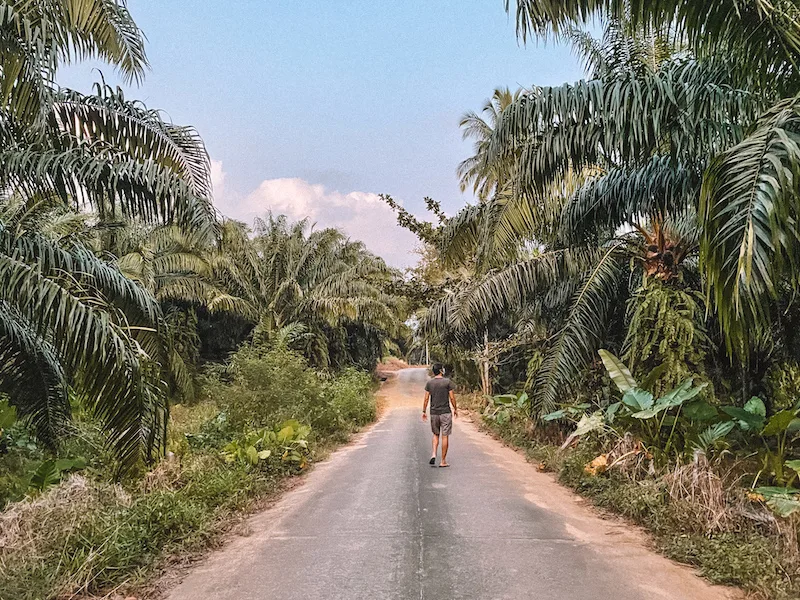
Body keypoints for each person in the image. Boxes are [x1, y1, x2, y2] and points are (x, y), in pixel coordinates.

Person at [422, 363, 458, 467]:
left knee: (435, 435)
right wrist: (455, 409)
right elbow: (452, 397)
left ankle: (433, 454)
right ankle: (443, 461)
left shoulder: (430, 383)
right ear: (441, 371)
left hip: (434, 413)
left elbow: (426, 399)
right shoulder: (447, 382)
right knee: (445, 436)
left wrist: (424, 411)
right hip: (445, 412)